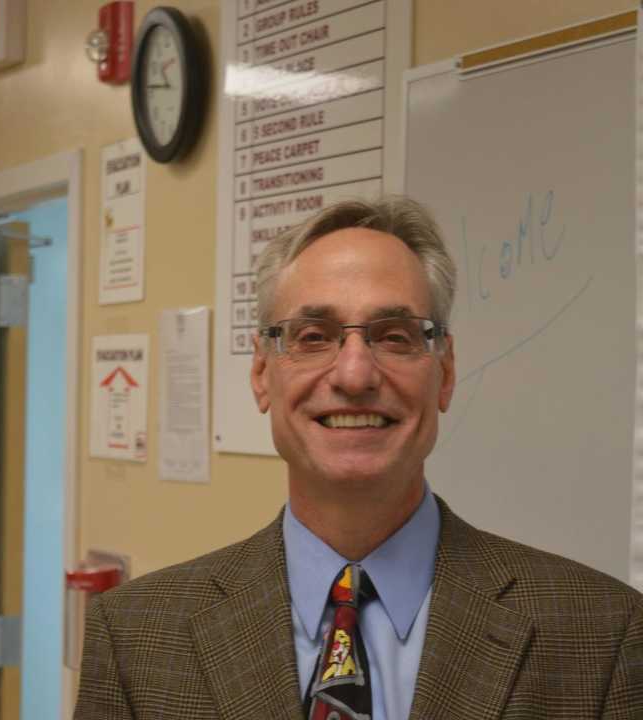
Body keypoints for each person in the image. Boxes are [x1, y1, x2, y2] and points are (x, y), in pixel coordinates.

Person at [74, 197, 643, 719]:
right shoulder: (135, 638)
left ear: (444, 374)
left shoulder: (603, 634)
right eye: (313, 336)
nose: (354, 374)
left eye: (394, 336)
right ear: (260, 375)